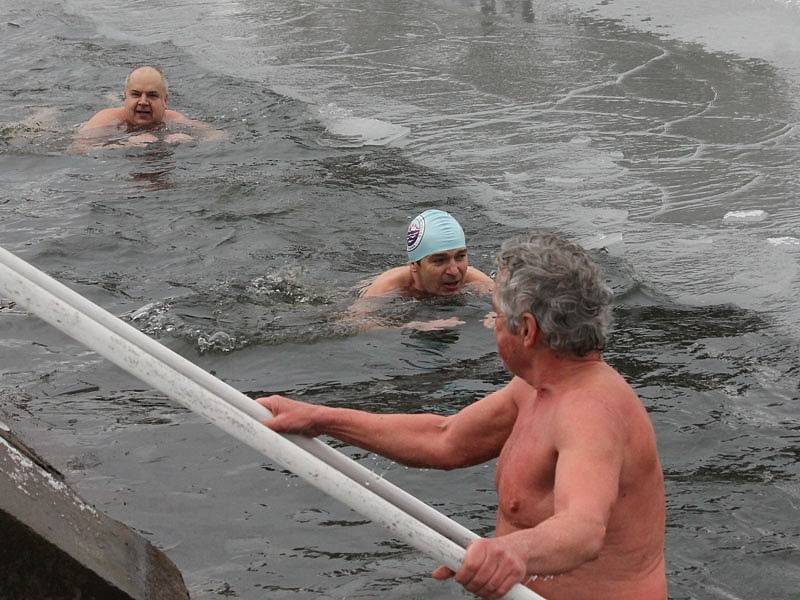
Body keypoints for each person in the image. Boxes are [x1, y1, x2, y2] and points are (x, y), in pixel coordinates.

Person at [258, 232, 667, 600]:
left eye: (495, 315)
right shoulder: (537, 388)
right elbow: (445, 438)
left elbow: (583, 529)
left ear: (526, 330)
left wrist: (508, 553)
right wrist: (319, 419)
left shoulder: (590, 410)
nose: (493, 330)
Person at [71, 66, 221, 151]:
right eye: (136, 94)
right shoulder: (107, 120)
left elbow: (218, 136)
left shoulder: (174, 119)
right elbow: (76, 149)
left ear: (165, 101)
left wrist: (192, 140)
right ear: (125, 98)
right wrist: (124, 144)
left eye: (152, 95)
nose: (143, 102)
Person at [359, 209, 494, 299]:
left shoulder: (475, 280)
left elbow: (509, 308)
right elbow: (354, 324)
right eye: (440, 260)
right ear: (414, 265)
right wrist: (415, 325)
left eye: (460, 256)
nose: (454, 271)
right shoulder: (387, 288)